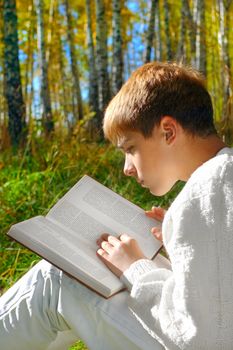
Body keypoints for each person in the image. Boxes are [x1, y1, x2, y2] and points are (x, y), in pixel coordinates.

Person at [0, 61, 232, 350]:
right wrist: (178, 242)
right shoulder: (222, 178)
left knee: (58, 278)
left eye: (131, 149)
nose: (127, 168)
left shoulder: (208, 190)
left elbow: (203, 337)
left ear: (168, 132)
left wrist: (136, 268)